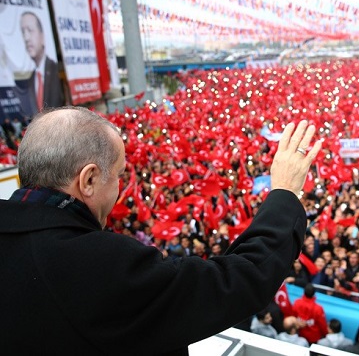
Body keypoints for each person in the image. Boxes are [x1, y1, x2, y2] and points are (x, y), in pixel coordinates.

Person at [0, 107, 322, 354]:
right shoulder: (101, 265)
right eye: (118, 175)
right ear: (88, 180)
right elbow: (239, 281)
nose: (120, 189)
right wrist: (284, 192)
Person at [14, 11, 64, 117]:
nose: (26, 38)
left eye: (30, 30)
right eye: (23, 32)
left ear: (42, 35)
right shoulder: (31, 78)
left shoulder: (56, 69)